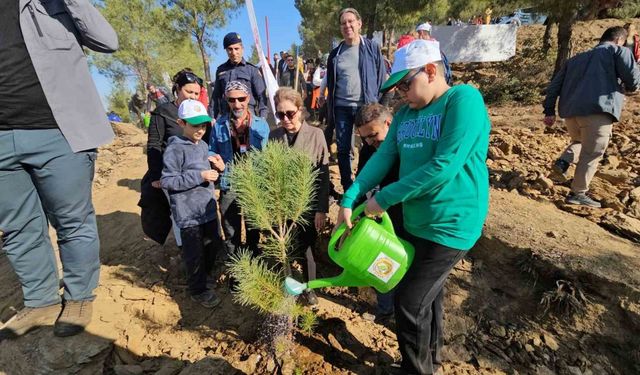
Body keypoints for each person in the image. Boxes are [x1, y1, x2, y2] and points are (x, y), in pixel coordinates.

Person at [336, 39, 490, 375]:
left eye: (406, 84)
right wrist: (351, 197)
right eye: (398, 87)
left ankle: (414, 370)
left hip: (451, 225)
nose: (401, 93)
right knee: (427, 299)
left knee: (409, 302)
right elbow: (383, 158)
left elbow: (444, 166)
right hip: (416, 221)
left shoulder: (463, 101)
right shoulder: (405, 114)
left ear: (431, 71)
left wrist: (383, 199)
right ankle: (429, 361)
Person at [0, 0, 118, 340]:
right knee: (17, 227)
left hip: (59, 132)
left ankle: (79, 297)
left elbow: (107, 41)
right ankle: (40, 302)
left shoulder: (51, 3)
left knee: (72, 220)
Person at [543, 26, 640, 208]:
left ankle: (564, 161)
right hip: (598, 110)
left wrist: (549, 110)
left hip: (571, 113)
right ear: (620, 40)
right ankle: (578, 193)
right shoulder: (619, 51)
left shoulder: (575, 58)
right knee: (592, 152)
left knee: (580, 141)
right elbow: (634, 82)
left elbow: (554, 85)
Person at [269, 87, 329, 305]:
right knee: (285, 248)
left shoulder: (316, 135)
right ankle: (289, 286)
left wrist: (321, 209)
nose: (285, 119)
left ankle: (310, 288)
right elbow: (271, 173)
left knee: (307, 249)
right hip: (282, 204)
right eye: (280, 114)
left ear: (301, 111)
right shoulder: (274, 136)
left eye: (290, 113)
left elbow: (323, 177)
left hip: (308, 204)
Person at [160, 99, 221, 308]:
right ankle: (198, 290)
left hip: (208, 209)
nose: (200, 130)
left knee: (213, 246)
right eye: (195, 125)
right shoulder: (175, 149)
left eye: (203, 125)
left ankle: (205, 277)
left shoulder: (203, 146)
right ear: (181, 123)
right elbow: (168, 181)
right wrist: (200, 176)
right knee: (194, 254)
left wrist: (217, 170)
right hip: (188, 214)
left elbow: (208, 176)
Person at [325, 7, 388, 193]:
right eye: (343, 23)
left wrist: (380, 108)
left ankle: (369, 185)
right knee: (344, 149)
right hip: (342, 107)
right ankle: (347, 186)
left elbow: (381, 77)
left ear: (359, 24)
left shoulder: (371, 48)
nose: (347, 26)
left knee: (371, 145)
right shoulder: (335, 55)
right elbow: (331, 82)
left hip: (366, 107)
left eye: (351, 21)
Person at [139, 69, 205, 245]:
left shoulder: (199, 111)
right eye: (188, 91)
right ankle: (184, 246)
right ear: (177, 88)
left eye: (196, 93)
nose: (192, 96)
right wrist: (156, 176)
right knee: (180, 211)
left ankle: (204, 243)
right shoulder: (163, 112)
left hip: (196, 170)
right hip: (173, 172)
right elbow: (154, 145)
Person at [209, 81, 270, 261]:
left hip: (254, 182)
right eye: (232, 100)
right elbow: (212, 150)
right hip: (229, 180)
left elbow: (268, 155)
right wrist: (215, 161)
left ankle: (253, 263)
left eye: (241, 99)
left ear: (248, 98)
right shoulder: (219, 125)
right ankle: (236, 268)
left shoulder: (261, 125)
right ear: (226, 100)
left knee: (253, 227)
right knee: (230, 229)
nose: (237, 104)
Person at [353, 103, 399, 323]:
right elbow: (362, 182)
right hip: (378, 218)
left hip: (404, 216)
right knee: (382, 264)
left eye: (373, 135)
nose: (370, 142)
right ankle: (385, 310)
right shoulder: (369, 150)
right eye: (365, 138)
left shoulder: (406, 148)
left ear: (388, 123)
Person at [210, 32, 268, 120]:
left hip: (248, 117)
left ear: (242, 49)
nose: (233, 52)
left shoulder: (252, 70)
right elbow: (216, 96)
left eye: (236, 48)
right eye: (230, 49)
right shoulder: (220, 70)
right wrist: (212, 117)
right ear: (226, 50)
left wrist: (262, 118)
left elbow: (261, 96)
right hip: (226, 116)